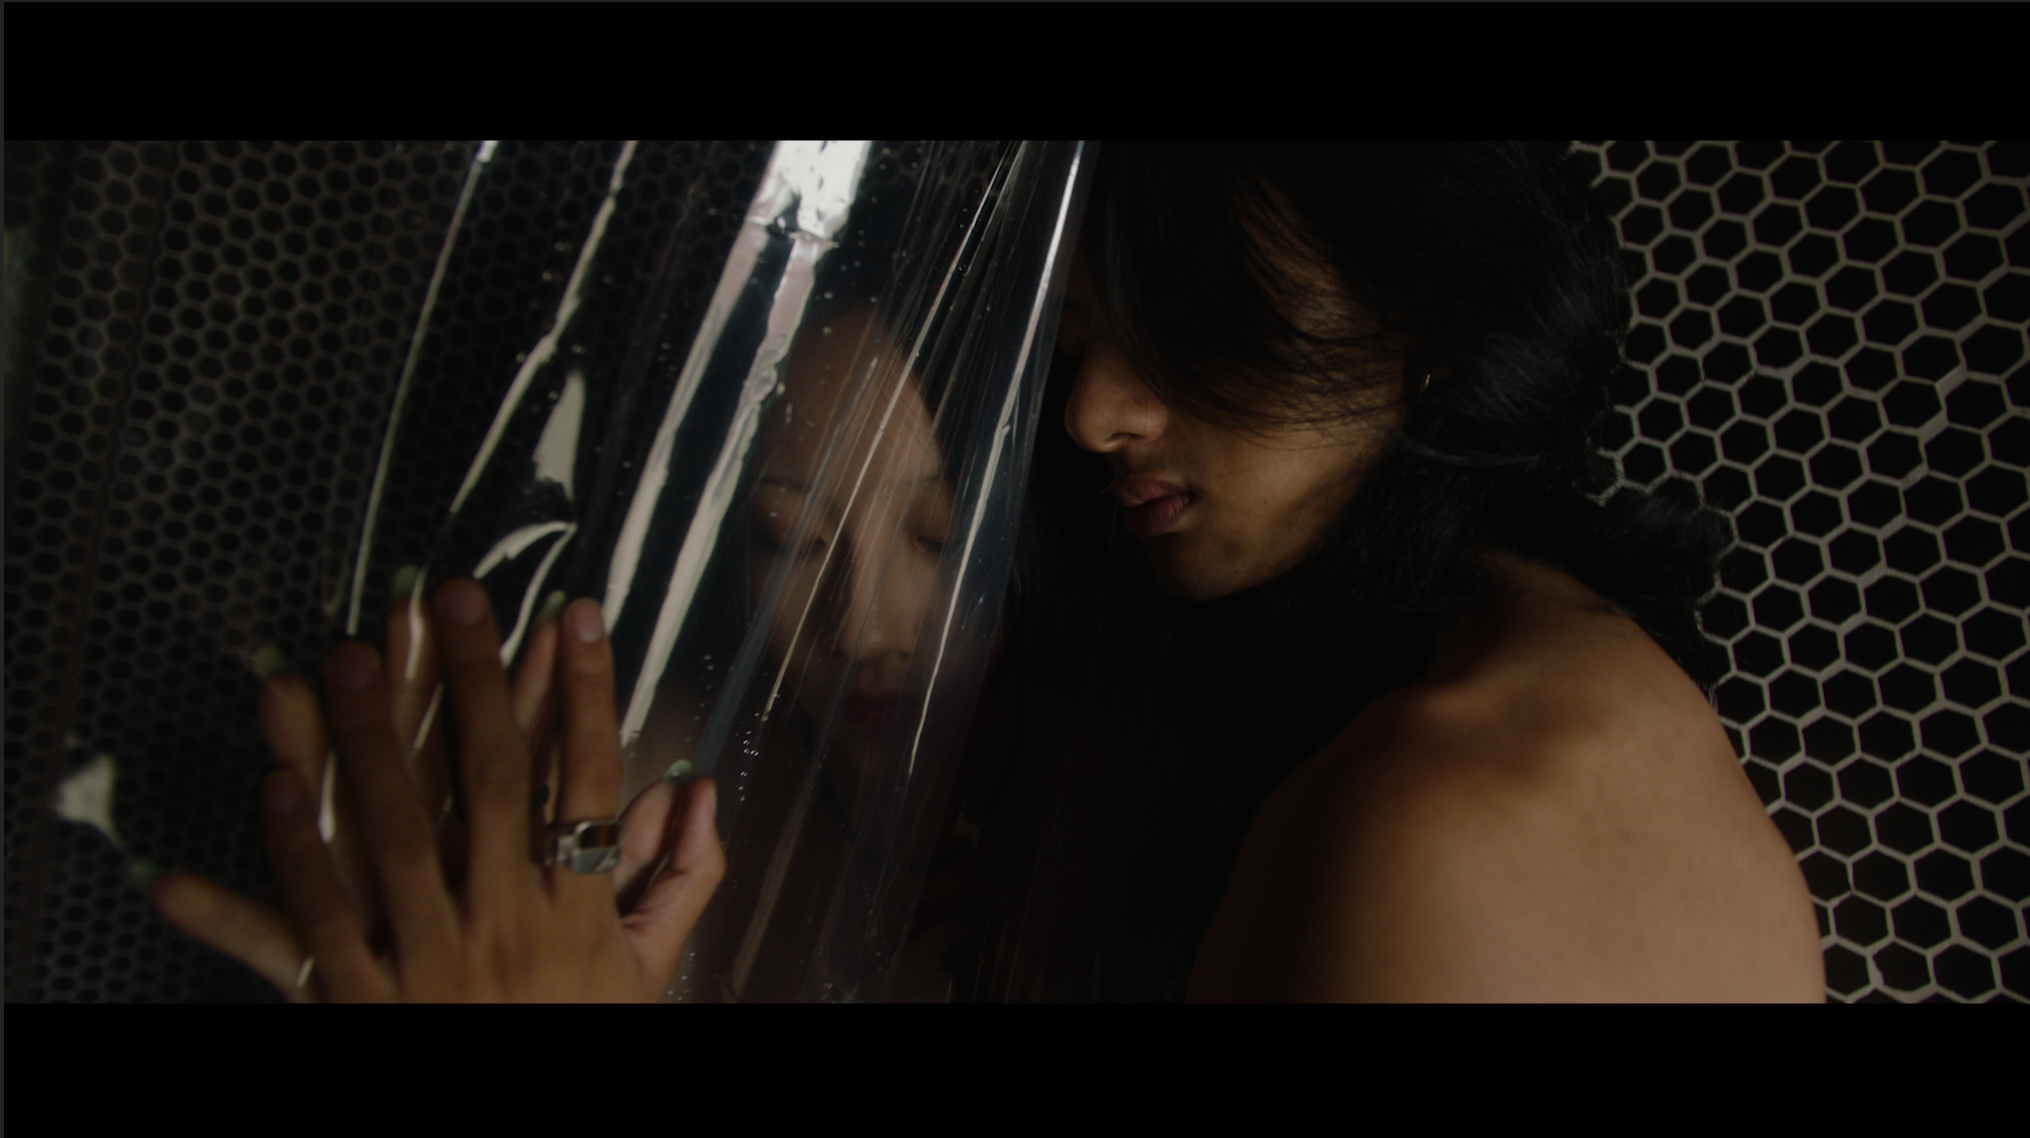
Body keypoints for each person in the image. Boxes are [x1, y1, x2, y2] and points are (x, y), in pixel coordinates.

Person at [154, 140, 1827, 1002]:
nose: (1096, 414)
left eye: (1182, 322)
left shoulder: (1465, 807)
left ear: (1436, 318)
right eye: (1085, 340)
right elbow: (668, 804)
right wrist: (556, 845)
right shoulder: (1282, 715)